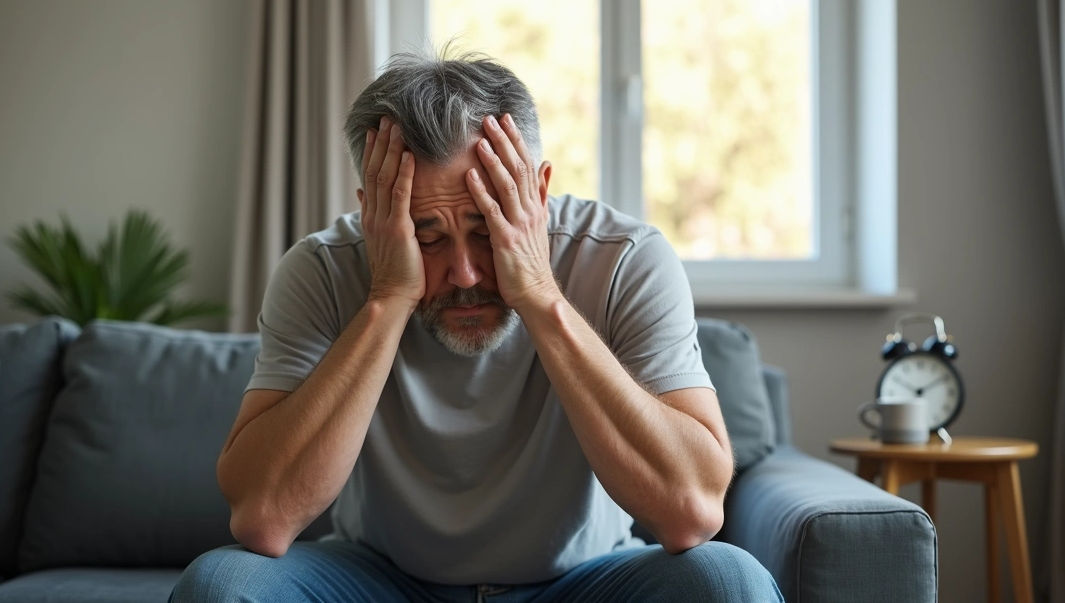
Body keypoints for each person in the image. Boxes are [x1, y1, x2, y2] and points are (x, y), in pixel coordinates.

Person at [170, 50, 782, 602]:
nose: (464, 273)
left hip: (582, 581)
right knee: (222, 587)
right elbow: (263, 518)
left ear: (538, 193)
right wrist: (388, 297)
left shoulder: (625, 259)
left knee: (729, 582)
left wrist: (540, 295)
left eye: (489, 229)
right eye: (426, 235)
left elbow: (692, 512)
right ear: (376, 212)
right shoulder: (322, 271)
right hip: (382, 580)